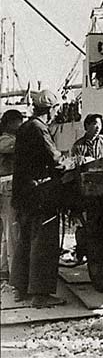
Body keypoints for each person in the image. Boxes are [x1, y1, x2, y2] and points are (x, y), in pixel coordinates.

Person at [10, 90, 66, 308]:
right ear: (50, 110)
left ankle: (20, 288)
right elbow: (55, 161)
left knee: (24, 240)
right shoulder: (39, 129)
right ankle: (40, 295)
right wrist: (72, 161)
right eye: (56, 109)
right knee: (44, 242)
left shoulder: (24, 127)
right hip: (40, 194)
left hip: (23, 195)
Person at [0, 109, 24, 281]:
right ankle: (14, 274)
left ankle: (3, 269)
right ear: (10, 123)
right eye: (19, 121)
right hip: (8, 186)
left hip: (4, 185)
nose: (21, 125)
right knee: (12, 231)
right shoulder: (7, 141)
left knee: (5, 232)